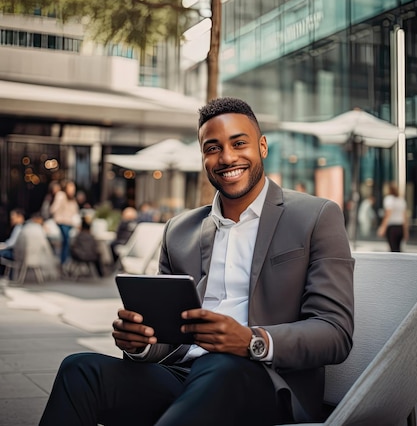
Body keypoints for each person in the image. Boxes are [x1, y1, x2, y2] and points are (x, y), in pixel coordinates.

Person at [39, 97, 354, 426]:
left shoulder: (315, 216)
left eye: (239, 143)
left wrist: (252, 340)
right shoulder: (180, 230)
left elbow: (335, 332)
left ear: (262, 146)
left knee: (220, 365)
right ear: (203, 156)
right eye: (213, 147)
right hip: (183, 376)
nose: (227, 157)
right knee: (80, 371)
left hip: (264, 382)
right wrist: (142, 343)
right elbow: (169, 335)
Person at [49, 180, 80, 266]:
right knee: (66, 240)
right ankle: (64, 262)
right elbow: (53, 209)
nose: (72, 190)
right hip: (61, 223)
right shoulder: (61, 196)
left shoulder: (73, 199)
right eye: (70, 188)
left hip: (71, 224)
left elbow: (75, 212)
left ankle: (70, 261)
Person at [377, 182, 408, 252]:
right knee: (398, 249)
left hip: (392, 228)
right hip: (400, 227)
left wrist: (383, 228)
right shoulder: (401, 200)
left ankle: (395, 262)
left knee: (393, 249)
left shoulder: (388, 199)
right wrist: (406, 231)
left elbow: (388, 215)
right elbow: (405, 217)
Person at [0, 208, 25, 276]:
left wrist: (2, 246)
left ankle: (3, 275)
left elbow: (11, 243)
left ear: (20, 217)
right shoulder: (22, 227)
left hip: (16, 253)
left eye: (14, 216)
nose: (12, 218)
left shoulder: (18, 228)